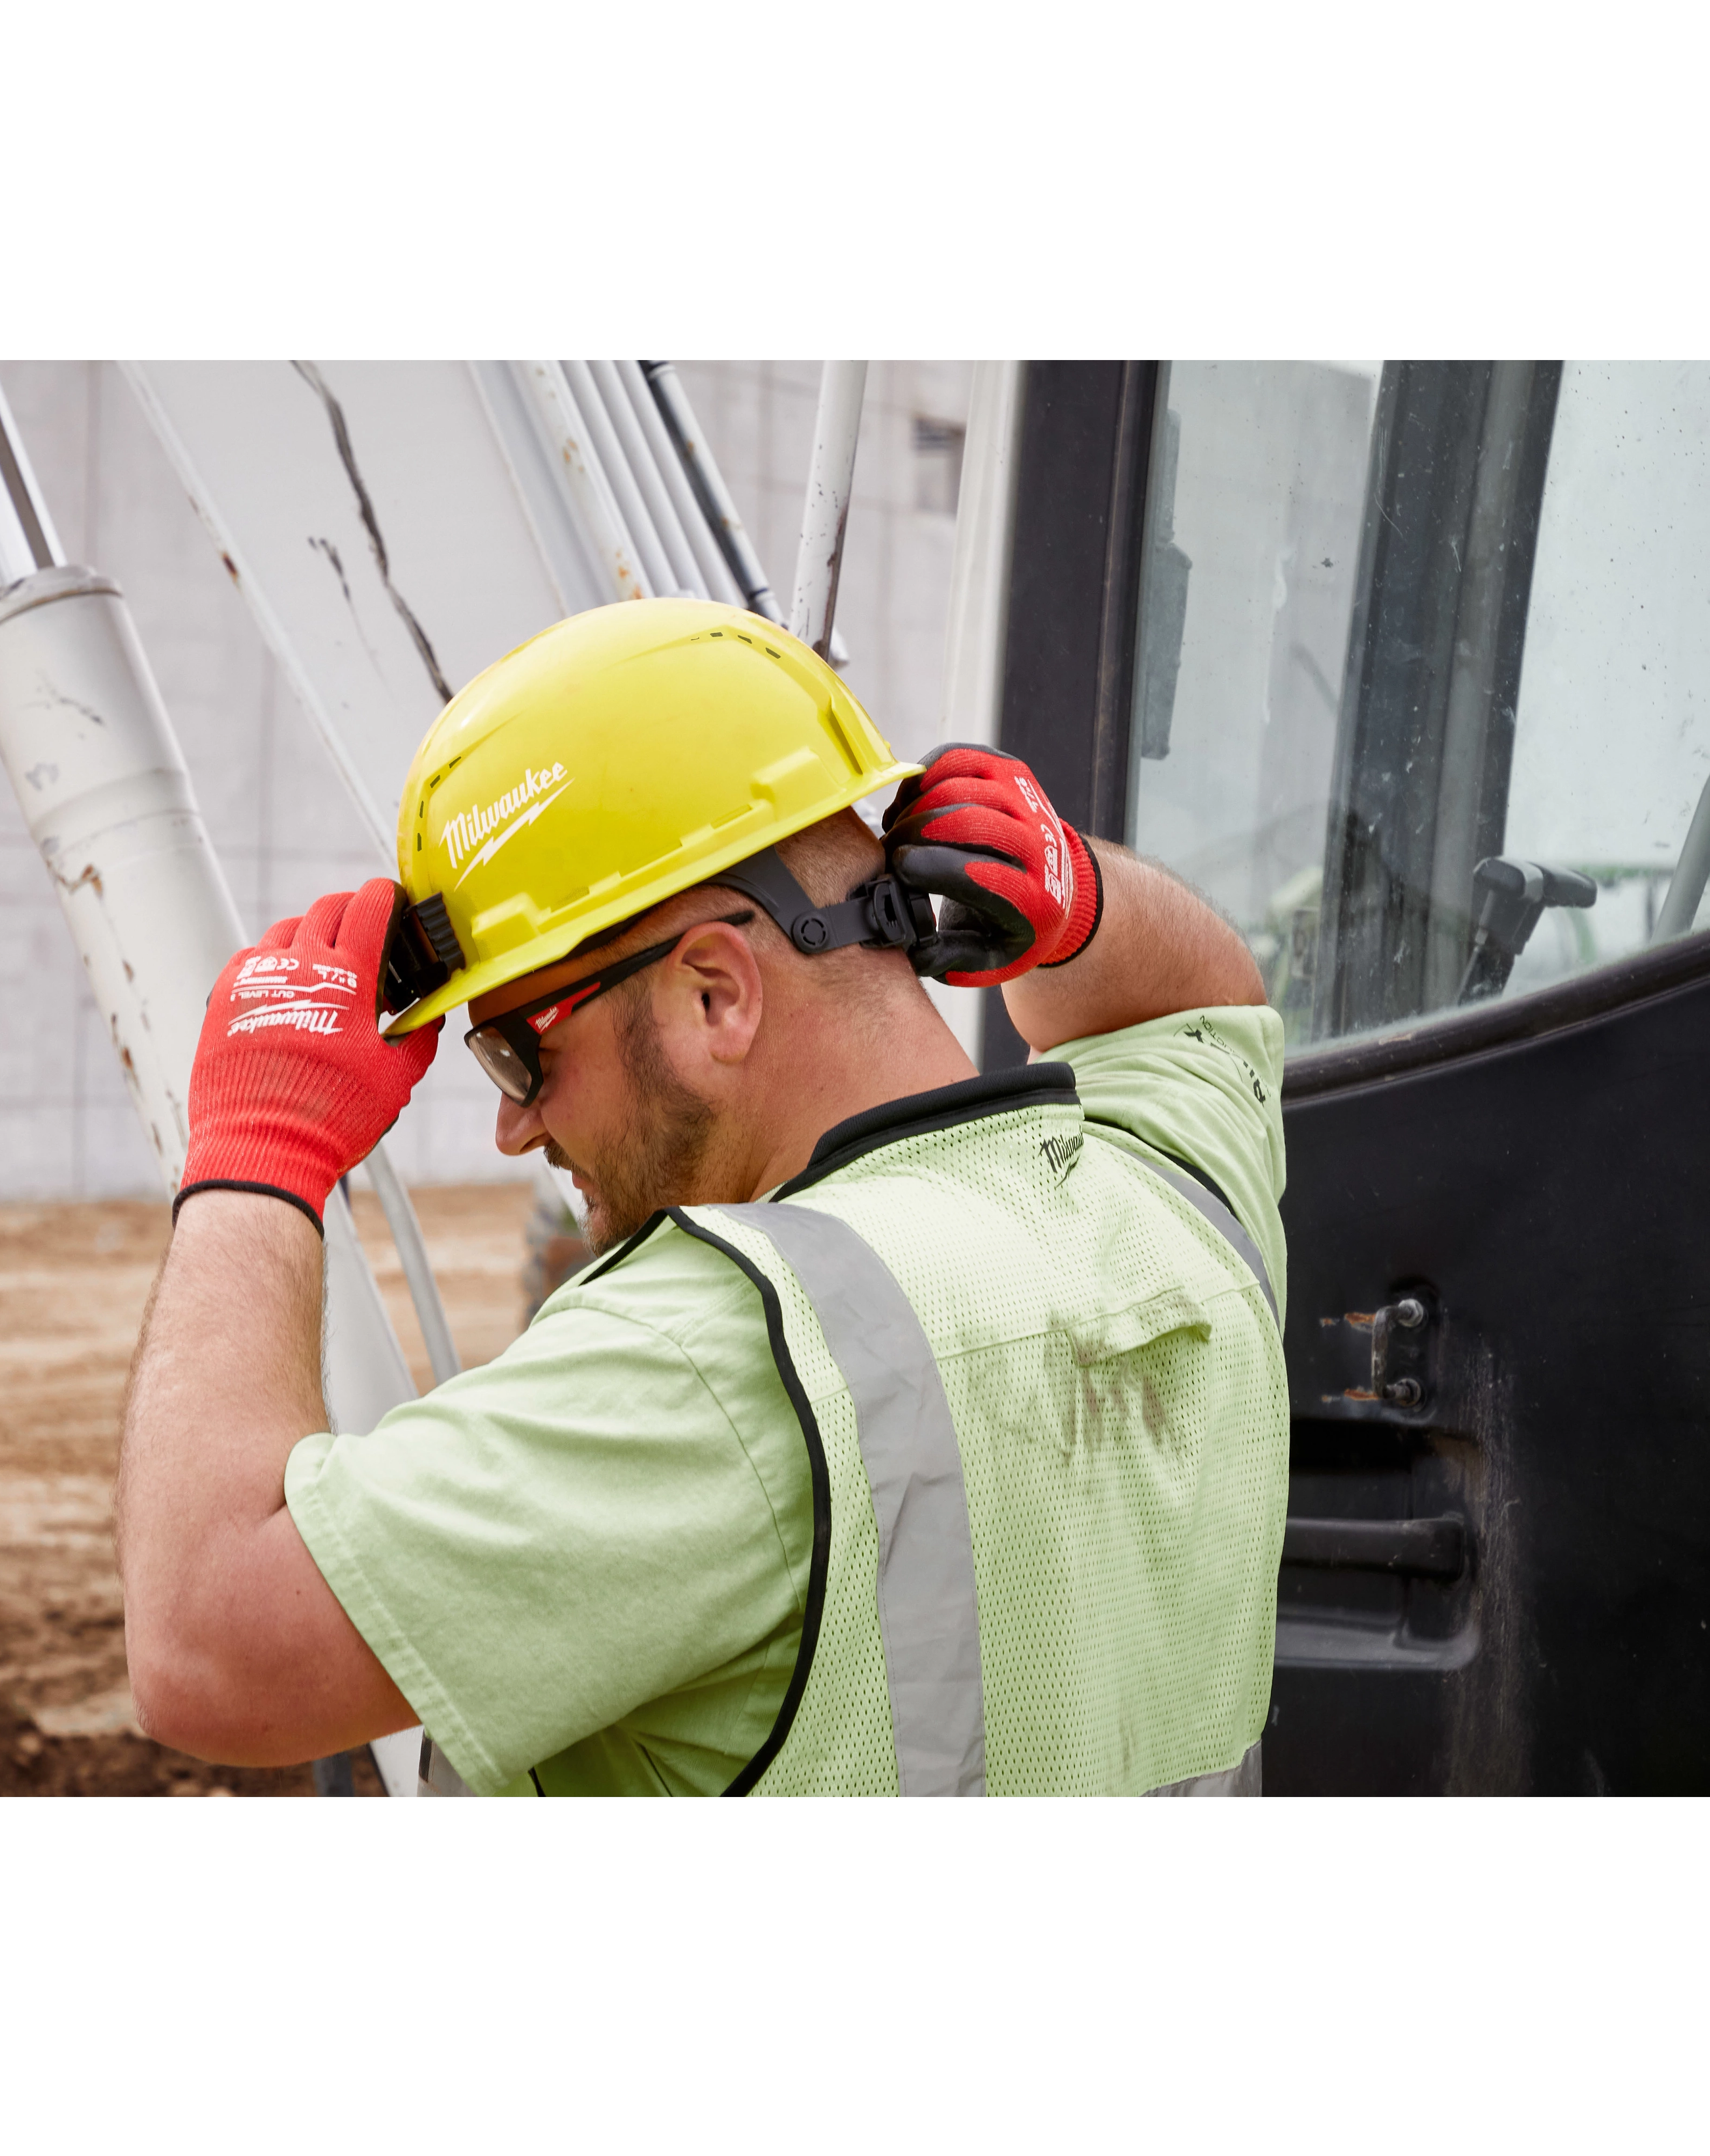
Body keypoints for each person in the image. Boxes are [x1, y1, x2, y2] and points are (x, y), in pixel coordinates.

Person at [117, 600, 1288, 1798]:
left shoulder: (718, 1350)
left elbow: (208, 1648)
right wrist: (1077, 896)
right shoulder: (1166, 1197)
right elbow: (1203, 1002)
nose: (512, 1121)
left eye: (519, 1050)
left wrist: (256, 1148)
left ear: (715, 995)